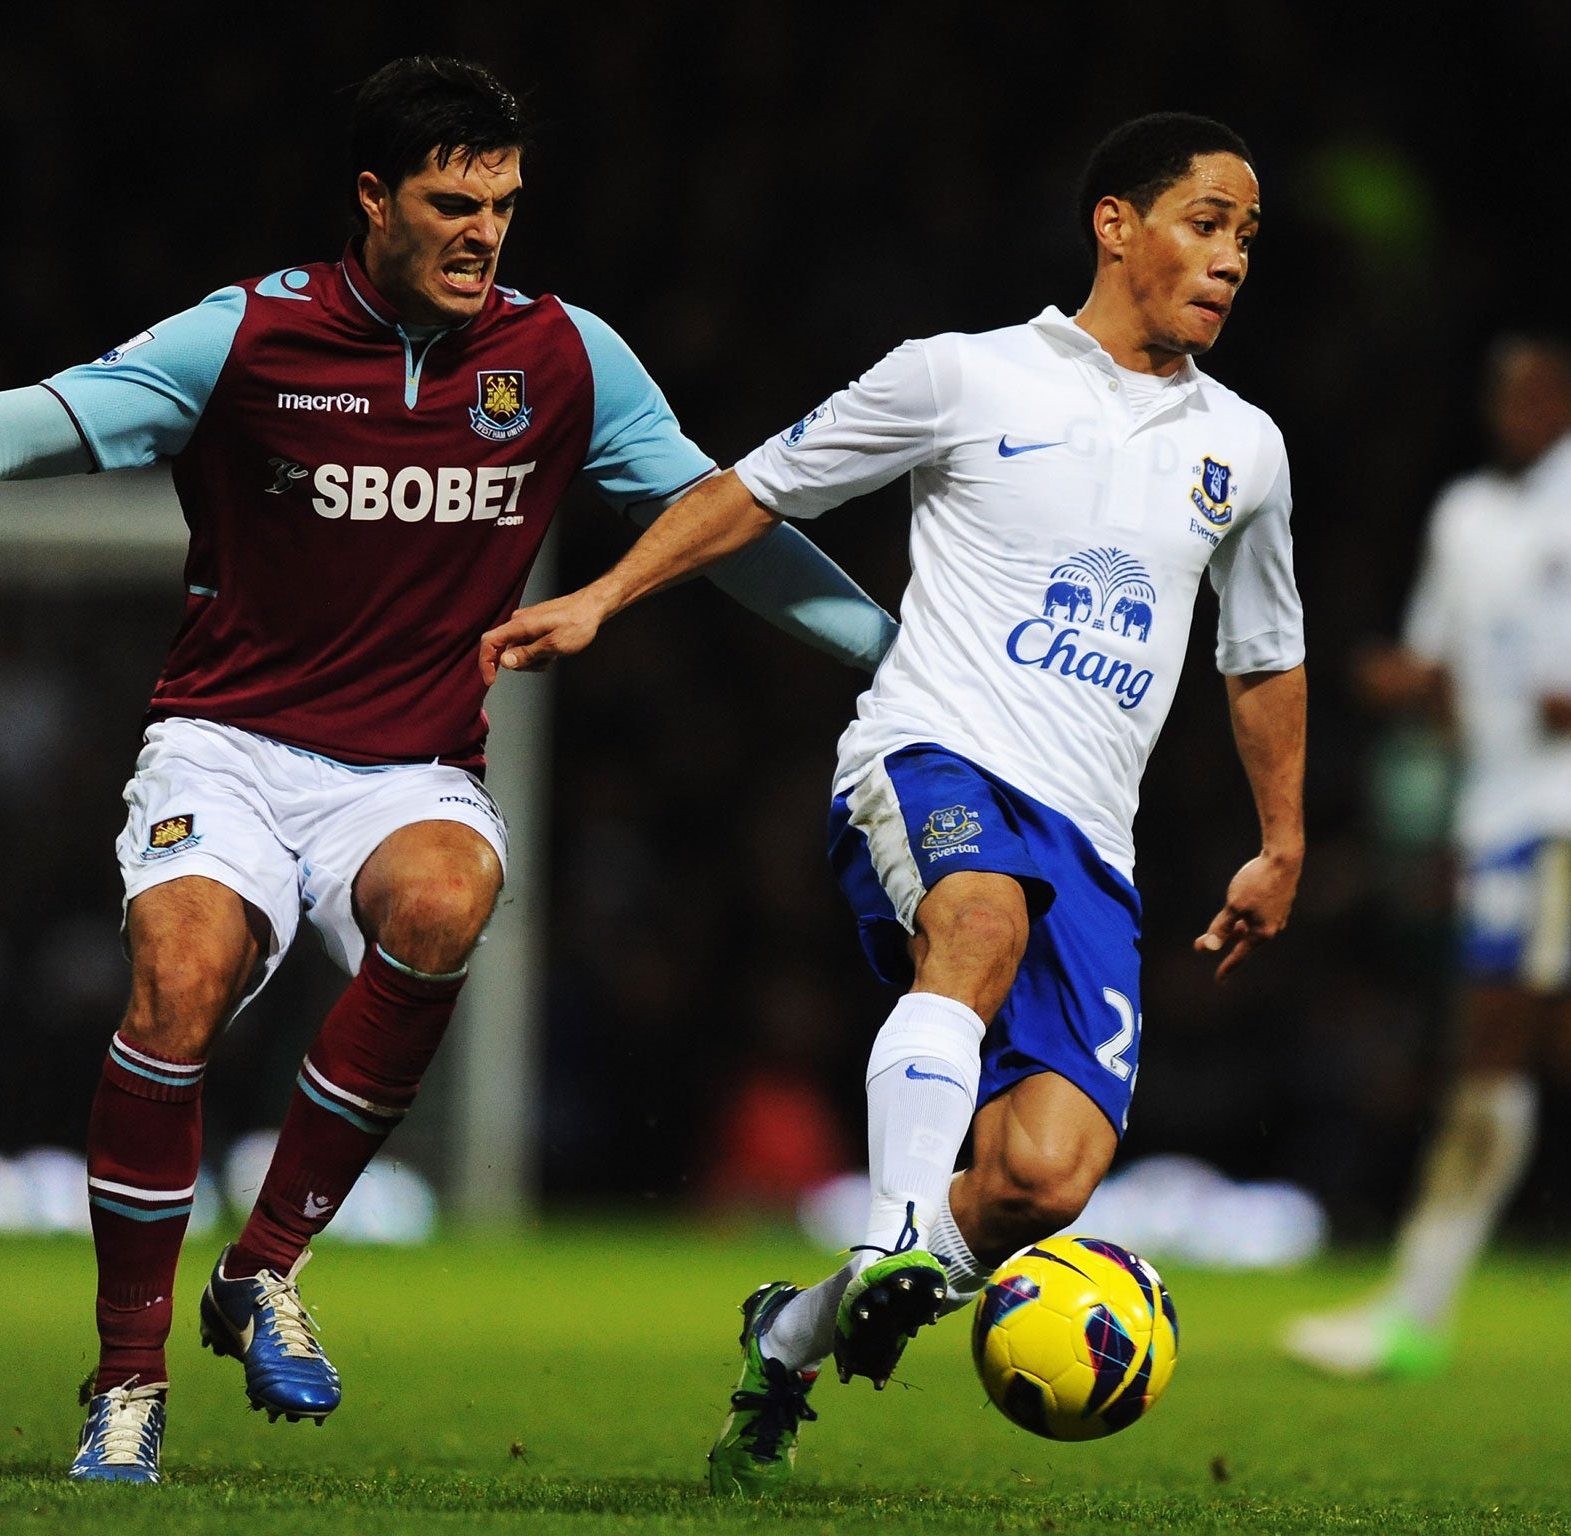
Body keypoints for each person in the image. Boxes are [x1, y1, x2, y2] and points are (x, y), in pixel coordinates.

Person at [0, 56, 899, 1484]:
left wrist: (900, 658)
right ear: (370, 198)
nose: (486, 234)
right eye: (454, 202)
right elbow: (14, 423)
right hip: (228, 745)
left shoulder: (566, 357)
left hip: (408, 767)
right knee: (179, 978)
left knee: (447, 898)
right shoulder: (247, 339)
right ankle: (126, 1381)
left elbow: (734, 525)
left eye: (506, 205)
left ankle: (264, 1268)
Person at [482, 112, 1305, 1494]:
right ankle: (892, 1231)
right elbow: (756, 486)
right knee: (970, 926)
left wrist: (1281, 842)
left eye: (1247, 239)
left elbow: (1262, 651)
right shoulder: (961, 377)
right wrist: (604, 598)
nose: (1230, 260)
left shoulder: (1248, 450)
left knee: (1046, 1179)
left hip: (1095, 839)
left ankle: (791, 1335)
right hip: (936, 755)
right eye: (1206, 222)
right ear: (1115, 223)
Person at [1283, 338, 1571, 1376]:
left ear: (1570, 398)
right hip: (1493, 812)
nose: (1514, 411)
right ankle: (1413, 1309)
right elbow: (1442, 667)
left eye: (1534, 392)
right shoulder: (1463, 519)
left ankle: (1412, 1312)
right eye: (1501, 396)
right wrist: (1408, 686)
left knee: (1489, 1044)